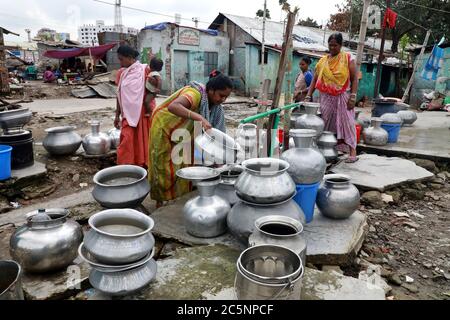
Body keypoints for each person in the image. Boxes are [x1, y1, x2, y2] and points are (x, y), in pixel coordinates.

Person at [148, 70, 233, 207]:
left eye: (226, 97)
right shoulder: (195, 93)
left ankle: (178, 197)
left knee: (183, 163)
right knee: (164, 166)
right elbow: (173, 106)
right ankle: (160, 200)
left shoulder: (216, 108)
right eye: (221, 95)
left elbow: (217, 134)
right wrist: (200, 117)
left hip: (182, 133)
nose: (223, 100)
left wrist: (220, 158)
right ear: (211, 90)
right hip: (164, 127)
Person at [306, 33, 359, 163]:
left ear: (340, 45)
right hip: (325, 97)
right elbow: (315, 79)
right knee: (325, 124)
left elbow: (354, 78)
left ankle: (352, 151)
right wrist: (308, 95)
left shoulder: (347, 58)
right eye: (330, 45)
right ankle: (327, 149)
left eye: (335, 45)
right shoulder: (323, 61)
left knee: (347, 123)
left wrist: (353, 97)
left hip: (343, 97)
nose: (332, 48)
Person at [114, 45, 151, 168]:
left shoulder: (144, 70)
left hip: (142, 113)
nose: (120, 62)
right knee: (127, 139)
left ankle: (143, 166)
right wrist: (117, 115)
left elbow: (153, 91)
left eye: (121, 59)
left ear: (130, 58)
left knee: (143, 140)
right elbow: (119, 94)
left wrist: (148, 107)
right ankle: (126, 167)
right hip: (127, 114)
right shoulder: (121, 73)